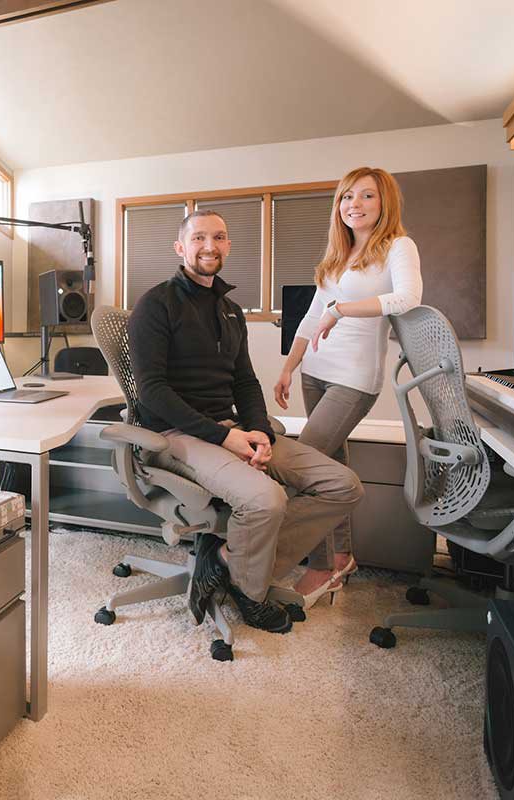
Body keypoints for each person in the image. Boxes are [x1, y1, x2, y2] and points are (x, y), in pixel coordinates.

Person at [128, 209, 363, 634]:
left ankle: (224, 561)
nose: (209, 247)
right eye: (199, 238)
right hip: (175, 434)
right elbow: (152, 393)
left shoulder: (231, 310)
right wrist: (224, 437)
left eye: (219, 238)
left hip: (229, 426)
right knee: (265, 500)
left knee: (343, 485)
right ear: (180, 247)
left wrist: (259, 431)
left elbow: (245, 381)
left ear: (228, 246)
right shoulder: (155, 304)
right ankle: (250, 593)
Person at [273, 166, 422, 607]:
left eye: (366, 196)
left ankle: (318, 566)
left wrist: (342, 310)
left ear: (385, 203)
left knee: (306, 468)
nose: (353, 204)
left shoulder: (398, 246)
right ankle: (341, 558)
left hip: (354, 379)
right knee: (332, 467)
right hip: (315, 371)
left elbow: (408, 298)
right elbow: (308, 317)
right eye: (346, 197)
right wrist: (289, 366)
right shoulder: (338, 255)